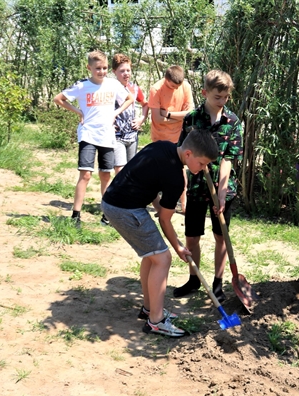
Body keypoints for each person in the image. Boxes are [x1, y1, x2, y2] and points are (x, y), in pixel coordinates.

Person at [101, 129, 219, 337]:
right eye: (201, 164)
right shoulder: (176, 179)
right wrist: (178, 247)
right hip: (125, 209)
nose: (203, 169)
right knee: (163, 258)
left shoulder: (163, 146)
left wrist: (158, 207)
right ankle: (155, 321)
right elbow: (164, 220)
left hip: (114, 200)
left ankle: (149, 308)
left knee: (152, 255)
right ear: (189, 154)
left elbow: (150, 184)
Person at [172, 70, 243, 304]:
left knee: (220, 237)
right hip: (195, 188)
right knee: (192, 237)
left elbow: (228, 159)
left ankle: (218, 282)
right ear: (205, 93)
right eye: (217, 97)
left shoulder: (232, 122)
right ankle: (194, 278)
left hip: (223, 189)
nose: (221, 102)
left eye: (225, 97)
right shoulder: (192, 119)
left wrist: (221, 195)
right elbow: (184, 153)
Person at [53, 50, 134, 227]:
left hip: (107, 135)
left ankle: (107, 215)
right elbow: (59, 99)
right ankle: (75, 215)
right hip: (88, 134)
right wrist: (78, 112)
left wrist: (116, 113)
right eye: (98, 68)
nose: (102, 71)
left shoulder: (113, 85)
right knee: (86, 174)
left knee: (106, 175)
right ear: (89, 68)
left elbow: (129, 98)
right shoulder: (82, 86)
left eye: (105, 68)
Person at [148, 65, 195, 212]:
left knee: (180, 170)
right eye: (172, 85)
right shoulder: (156, 89)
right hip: (160, 137)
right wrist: (180, 117)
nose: (175, 88)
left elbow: (190, 113)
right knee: (158, 171)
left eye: (178, 86)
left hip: (179, 136)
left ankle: (184, 204)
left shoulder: (185, 86)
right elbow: (157, 118)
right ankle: (159, 205)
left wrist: (168, 114)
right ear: (166, 79)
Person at [111, 53, 149, 174]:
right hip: (116, 136)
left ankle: (129, 193)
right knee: (120, 168)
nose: (126, 73)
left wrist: (141, 119)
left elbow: (145, 104)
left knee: (132, 168)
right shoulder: (109, 88)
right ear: (114, 71)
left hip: (132, 135)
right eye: (122, 71)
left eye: (128, 70)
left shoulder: (134, 88)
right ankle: (118, 192)